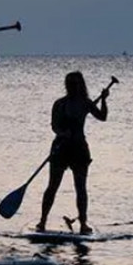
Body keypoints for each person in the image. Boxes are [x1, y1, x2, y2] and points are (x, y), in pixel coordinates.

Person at [35, 71, 109, 234]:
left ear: (80, 85)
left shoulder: (86, 103)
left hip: (79, 149)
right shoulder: (59, 104)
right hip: (60, 148)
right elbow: (54, 125)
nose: (73, 87)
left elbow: (102, 117)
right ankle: (42, 221)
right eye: (70, 84)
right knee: (52, 186)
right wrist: (62, 133)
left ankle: (83, 223)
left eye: (75, 84)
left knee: (80, 188)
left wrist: (104, 99)